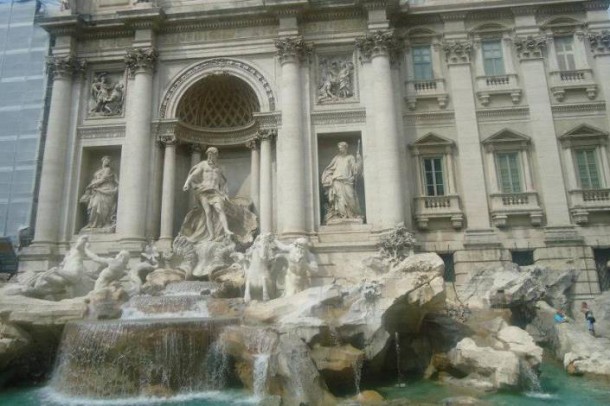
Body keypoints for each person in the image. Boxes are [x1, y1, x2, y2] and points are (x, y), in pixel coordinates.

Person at [182, 147, 233, 241]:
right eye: (208, 155)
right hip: (203, 191)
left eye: (212, 155)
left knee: (220, 209)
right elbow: (193, 175)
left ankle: (226, 229)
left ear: (216, 155)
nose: (210, 157)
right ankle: (211, 235)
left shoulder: (219, 168)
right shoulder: (203, 165)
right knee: (208, 213)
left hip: (215, 192)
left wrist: (225, 194)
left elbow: (223, 183)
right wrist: (187, 184)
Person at [321, 141, 363, 223]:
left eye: (341, 148)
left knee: (351, 197)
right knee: (339, 199)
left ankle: (352, 214)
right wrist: (328, 178)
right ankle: (341, 215)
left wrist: (359, 160)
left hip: (348, 181)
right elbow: (329, 169)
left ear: (345, 148)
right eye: (339, 148)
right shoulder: (336, 158)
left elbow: (355, 170)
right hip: (337, 181)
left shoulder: (350, 157)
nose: (340, 149)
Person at [80, 156, 119, 230]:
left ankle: (102, 223)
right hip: (97, 191)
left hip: (107, 189)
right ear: (103, 161)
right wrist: (92, 186)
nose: (107, 162)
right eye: (105, 160)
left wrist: (91, 185)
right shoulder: (99, 171)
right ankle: (92, 224)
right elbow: (95, 179)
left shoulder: (108, 170)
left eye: (108, 161)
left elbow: (103, 179)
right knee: (94, 206)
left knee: (102, 207)